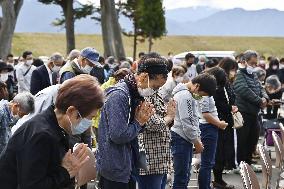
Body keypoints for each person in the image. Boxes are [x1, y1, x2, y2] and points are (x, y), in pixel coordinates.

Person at [0, 74, 104, 189]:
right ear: (72, 112)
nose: (90, 123)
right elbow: (32, 185)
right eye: (90, 117)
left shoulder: (55, 127)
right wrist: (66, 172)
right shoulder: (41, 136)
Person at [96, 52, 169, 189]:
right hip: (115, 167)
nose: (155, 91)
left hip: (127, 164)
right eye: (155, 87)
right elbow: (118, 135)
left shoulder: (134, 94)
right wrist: (139, 122)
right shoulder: (119, 96)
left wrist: (140, 122)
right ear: (144, 76)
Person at [171, 73, 217, 189]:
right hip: (181, 137)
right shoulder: (185, 96)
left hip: (185, 137)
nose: (200, 97)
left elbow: (193, 120)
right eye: (201, 94)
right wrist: (196, 141)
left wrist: (197, 138)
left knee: (185, 175)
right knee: (181, 178)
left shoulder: (188, 94)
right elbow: (187, 122)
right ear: (196, 86)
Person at [136, 78, 176, 188]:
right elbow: (154, 124)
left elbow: (163, 120)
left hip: (160, 156)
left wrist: (169, 117)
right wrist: (169, 116)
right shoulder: (145, 95)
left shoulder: (156, 93)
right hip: (151, 157)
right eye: (163, 77)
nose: (165, 81)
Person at [234, 50, 269, 165]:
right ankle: (242, 163)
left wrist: (265, 98)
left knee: (253, 137)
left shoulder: (252, 74)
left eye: (255, 64)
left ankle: (248, 160)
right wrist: (259, 101)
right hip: (244, 111)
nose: (254, 66)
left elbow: (260, 87)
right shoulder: (239, 74)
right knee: (243, 139)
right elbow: (243, 90)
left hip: (254, 112)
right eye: (252, 63)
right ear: (244, 61)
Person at [198, 68, 228, 189]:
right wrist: (219, 124)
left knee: (208, 162)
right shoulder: (205, 94)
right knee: (207, 163)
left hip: (208, 126)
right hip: (208, 127)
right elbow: (205, 114)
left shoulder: (204, 92)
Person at [210, 61, 238, 189]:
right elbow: (218, 104)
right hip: (219, 123)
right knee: (219, 152)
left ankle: (219, 179)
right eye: (232, 69)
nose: (233, 72)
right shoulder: (216, 88)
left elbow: (232, 97)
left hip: (225, 122)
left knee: (224, 151)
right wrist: (229, 107)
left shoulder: (225, 84)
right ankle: (217, 180)